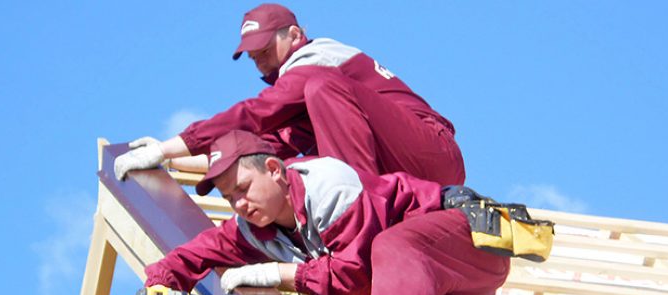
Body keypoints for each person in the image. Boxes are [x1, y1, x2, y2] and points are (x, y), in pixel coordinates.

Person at [136, 130, 508, 295]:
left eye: (244, 188)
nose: (238, 203)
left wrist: (279, 275)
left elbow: (353, 279)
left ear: (274, 169)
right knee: (336, 287)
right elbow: (191, 256)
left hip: (471, 242)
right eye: (229, 196)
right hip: (438, 284)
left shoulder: (329, 187)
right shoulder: (254, 227)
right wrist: (157, 292)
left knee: (384, 250)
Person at [114, 3, 465, 188]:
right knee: (284, 170)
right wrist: (171, 162)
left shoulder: (315, 62)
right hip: (408, 172)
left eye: (265, 50)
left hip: (432, 151)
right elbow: (263, 149)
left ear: (295, 34)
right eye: (254, 56)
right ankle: (365, 208)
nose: (260, 62)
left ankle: (359, 206)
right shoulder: (316, 102)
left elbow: (254, 114)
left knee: (317, 89)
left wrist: (169, 145)